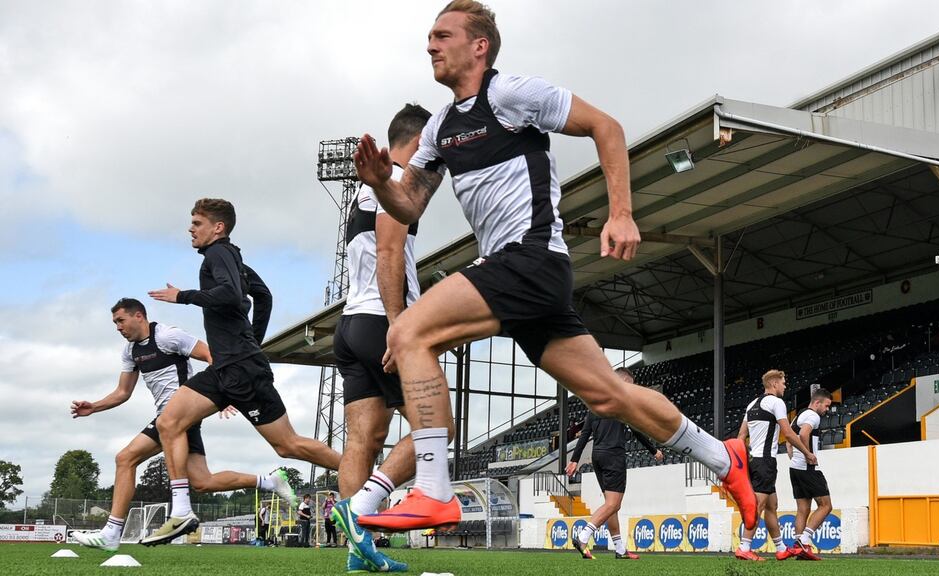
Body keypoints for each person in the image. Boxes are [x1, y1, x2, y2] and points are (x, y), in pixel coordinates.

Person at [352, 0, 757, 535]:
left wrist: (622, 213)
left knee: (409, 333)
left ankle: (432, 491)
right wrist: (383, 182)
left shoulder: (513, 95)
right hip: (519, 278)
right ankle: (725, 458)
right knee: (610, 394)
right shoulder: (441, 128)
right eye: (429, 36)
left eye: (441, 35)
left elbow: (605, 126)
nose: (430, 45)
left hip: (531, 260)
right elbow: (408, 207)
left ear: (480, 46)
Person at [143, 198, 342, 545]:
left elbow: (233, 296)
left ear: (217, 227)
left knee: (288, 445)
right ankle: (181, 512)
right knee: (169, 422)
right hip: (227, 366)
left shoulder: (219, 254)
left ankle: (361, 472)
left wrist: (185, 296)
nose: (190, 229)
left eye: (196, 223)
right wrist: (254, 340)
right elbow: (261, 296)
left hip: (242, 369)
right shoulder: (233, 258)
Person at [68, 298, 294, 552]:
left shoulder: (167, 336)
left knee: (126, 458)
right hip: (173, 422)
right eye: (114, 323)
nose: (118, 327)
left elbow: (212, 355)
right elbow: (123, 392)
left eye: (120, 320)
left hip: (178, 416)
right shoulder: (130, 351)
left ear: (139, 316)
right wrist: (94, 406)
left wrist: (225, 393)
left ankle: (111, 532)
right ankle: (269, 482)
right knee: (202, 482)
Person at [329, 104, 433, 574]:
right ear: (419, 138)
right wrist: (400, 325)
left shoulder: (361, 194)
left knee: (362, 439)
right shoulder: (392, 185)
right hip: (381, 322)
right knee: (438, 428)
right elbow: (390, 253)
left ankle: (358, 550)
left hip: (351, 323)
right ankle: (364, 507)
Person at [565, 367, 663, 560]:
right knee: (613, 504)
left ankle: (619, 549)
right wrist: (654, 451)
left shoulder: (596, 403)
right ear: (624, 381)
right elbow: (637, 431)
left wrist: (575, 459)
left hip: (597, 457)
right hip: (613, 457)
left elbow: (585, 434)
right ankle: (583, 536)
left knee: (611, 505)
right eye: (631, 385)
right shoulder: (623, 403)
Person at [734, 370, 816, 561]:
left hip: (754, 460)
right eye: (783, 382)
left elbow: (740, 437)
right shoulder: (776, 403)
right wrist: (806, 452)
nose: (785, 386)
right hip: (766, 462)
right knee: (758, 505)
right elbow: (787, 433)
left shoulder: (751, 404)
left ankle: (780, 548)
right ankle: (744, 546)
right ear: (773, 383)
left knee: (772, 505)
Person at [784, 387, 833, 561]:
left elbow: (789, 439)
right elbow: (804, 433)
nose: (827, 410)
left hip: (794, 468)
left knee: (803, 509)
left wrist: (794, 455)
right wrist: (807, 454)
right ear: (817, 402)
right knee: (826, 505)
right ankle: (804, 540)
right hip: (808, 468)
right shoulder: (813, 416)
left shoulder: (799, 415)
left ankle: (800, 550)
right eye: (826, 406)